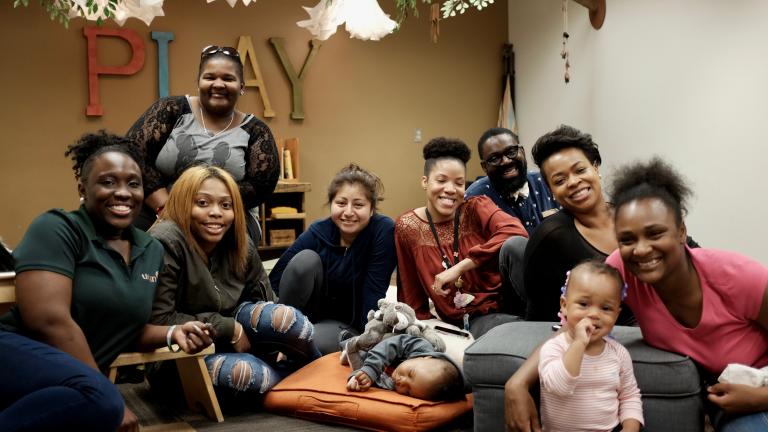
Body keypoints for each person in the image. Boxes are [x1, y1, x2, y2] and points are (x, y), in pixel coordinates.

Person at [505, 158, 768, 432]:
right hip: (730, 400)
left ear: (681, 232)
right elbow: (573, 327)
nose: (641, 250)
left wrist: (761, 398)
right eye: (628, 239)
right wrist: (518, 382)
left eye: (655, 234)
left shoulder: (739, 276)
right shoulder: (621, 268)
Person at [0, 131, 212, 431]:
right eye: (108, 181)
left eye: (133, 183)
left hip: (73, 382)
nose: (123, 192)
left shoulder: (150, 249)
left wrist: (172, 332)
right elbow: (47, 320)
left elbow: (124, 327)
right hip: (13, 353)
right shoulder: (58, 228)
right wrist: (106, 391)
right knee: (103, 403)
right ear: (83, 188)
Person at [149, 165, 321, 396]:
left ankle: (316, 371)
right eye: (202, 203)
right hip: (182, 352)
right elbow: (161, 319)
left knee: (287, 319)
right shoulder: (165, 241)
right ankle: (294, 382)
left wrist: (275, 345)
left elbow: (265, 301)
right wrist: (230, 329)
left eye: (226, 205)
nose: (216, 212)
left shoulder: (239, 239)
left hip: (242, 338)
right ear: (182, 203)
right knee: (244, 373)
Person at [126, 44, 280, 240]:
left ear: (242, 87)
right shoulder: (171, 109)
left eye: (228, 78)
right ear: (198, 82)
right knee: (132, 240)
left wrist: (204, 207)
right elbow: (133, 155)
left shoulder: (257, 131)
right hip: (160, 207)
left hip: (227, 217)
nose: (218, 84)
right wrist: (167, 208)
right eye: (210, 77)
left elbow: (261, 187)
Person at [395, 138, 529, 337]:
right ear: (425, 182)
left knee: (517, 246)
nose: (450, 189)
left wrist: (461, 267)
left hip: (507, 298)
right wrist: (419, 329)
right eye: (441, 181)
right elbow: (411, 292)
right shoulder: (407, 226)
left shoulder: (476, 207)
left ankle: (539, 316)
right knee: (507, 331)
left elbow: (515, 231)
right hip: (473, 317)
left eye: (459, 183)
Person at [269, 164, 397, 354]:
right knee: (305, 260)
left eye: (359, 205)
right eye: (341, 203)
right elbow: (278, 276)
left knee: (306, 342)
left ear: (372, 209)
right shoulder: (319, 230)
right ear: (331, 204)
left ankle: (290, 344)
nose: (348, 212)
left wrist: (365, 340)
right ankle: (280, 335)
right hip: (308, 317)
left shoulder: (382, 231)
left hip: (349, 325)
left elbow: (373, 291)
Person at [538, 260, 643, 432]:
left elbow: (629, 396)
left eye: (606, 308)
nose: (594, 314)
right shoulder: (553, 348)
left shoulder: (618, 354)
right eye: (584, 304)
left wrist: (631, 427)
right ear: (564, 305)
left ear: (617, 314)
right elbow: (560, 387)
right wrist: (579, 343)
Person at [465, 127, 559, 234]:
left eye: (511, 151)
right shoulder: (473, 198)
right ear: (484, 167)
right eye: (494, 158)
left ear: (522, 152)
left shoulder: (545, 181)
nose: (506, 161)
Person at [346, 334, 465, 401]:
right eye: (411, 373)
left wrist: (359, 380)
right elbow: (390, 345)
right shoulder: (420, 347)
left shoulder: (393, 385)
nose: (401, 382)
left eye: (408, 392)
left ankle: (346, 346)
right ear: (426, 357)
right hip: (379, 337)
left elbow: (372, 380)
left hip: (363, 355)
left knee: (354, 354)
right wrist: (370, 369)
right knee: (364, 340)